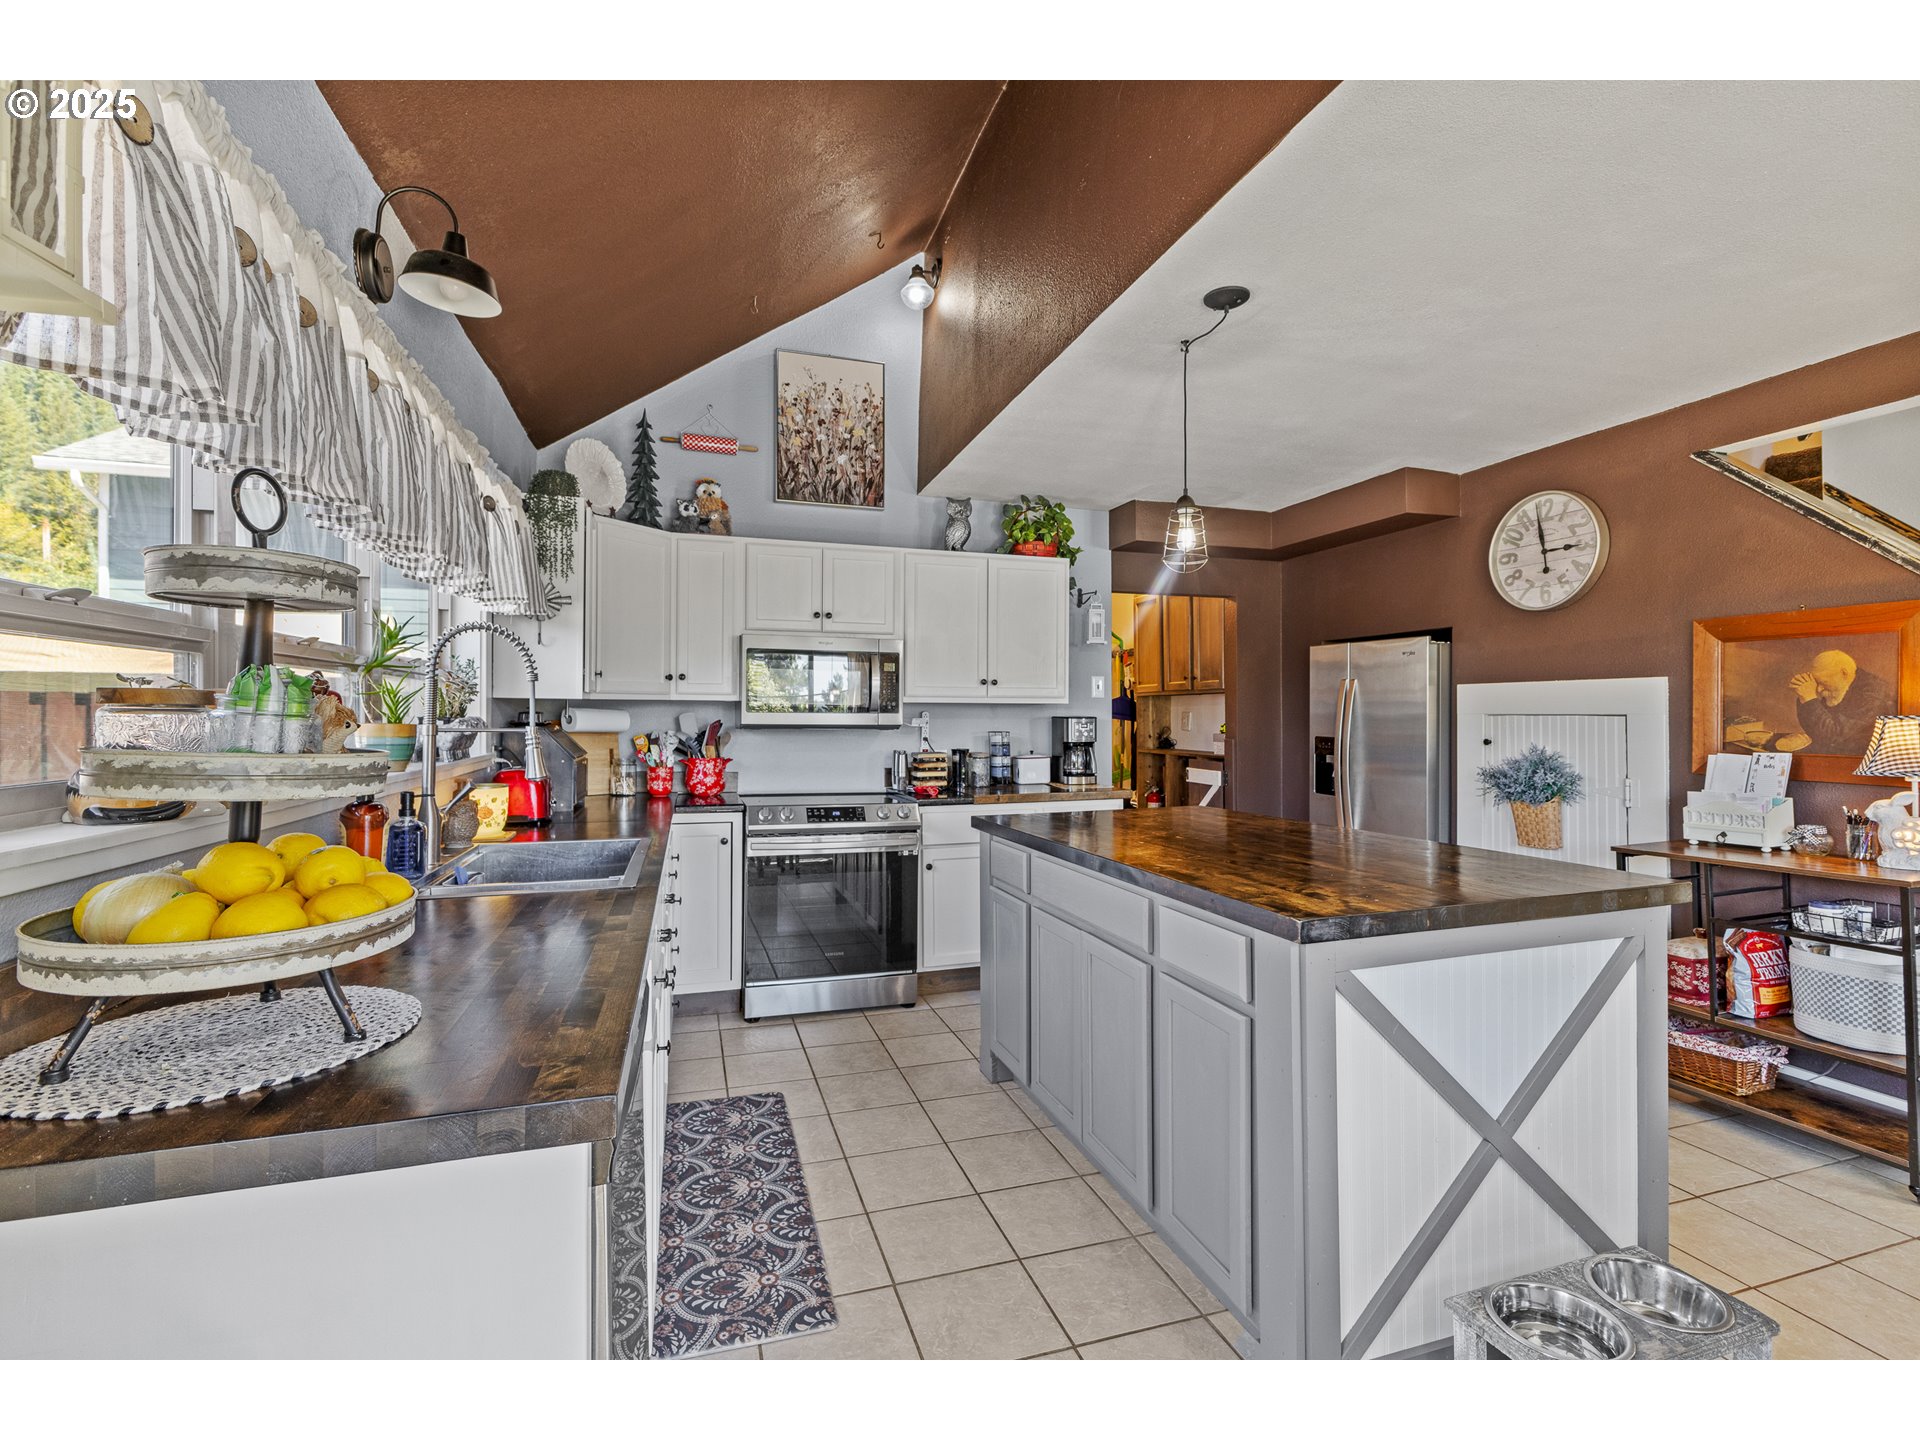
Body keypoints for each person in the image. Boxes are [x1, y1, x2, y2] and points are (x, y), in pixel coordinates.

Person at [1790, 649, 1893, 754]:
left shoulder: (1873, 693)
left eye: (1823, 682)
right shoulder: (1840, 686)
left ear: (1844, 673)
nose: (1819, 689)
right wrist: (1804, 698)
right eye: (1817, 683)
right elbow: (1815, 733)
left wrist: (1809, 699)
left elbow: (1833, 736)